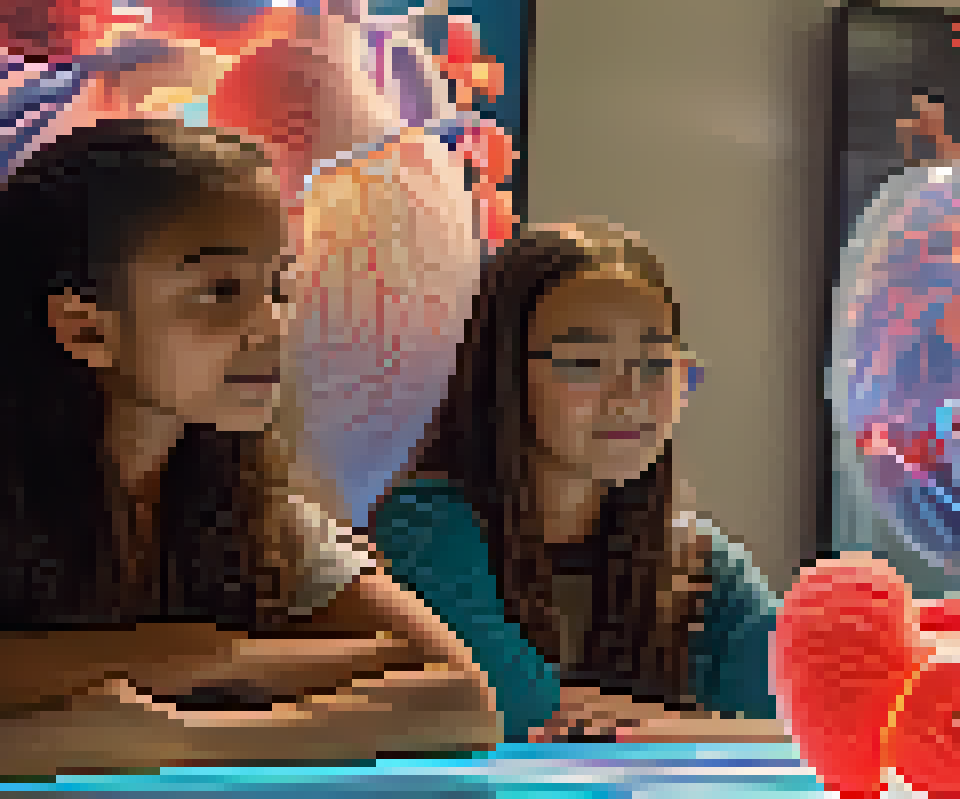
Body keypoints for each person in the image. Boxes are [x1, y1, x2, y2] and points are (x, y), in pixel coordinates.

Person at [0, 119, 500, 777]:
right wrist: (218, 663)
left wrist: (177, 726)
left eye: (278, 287)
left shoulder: (258, 511)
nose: (272, 327)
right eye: (220, 292)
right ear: (85, 329)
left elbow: (462, 699)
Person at [369, 220, 785, 744]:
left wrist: (652, 727)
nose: (630, 394)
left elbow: (814, 726)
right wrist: (697, 729)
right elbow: (505, 710)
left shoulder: (699, 560)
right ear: (503, 374)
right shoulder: (426, 524)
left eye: (657, 362)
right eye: (587, 361)